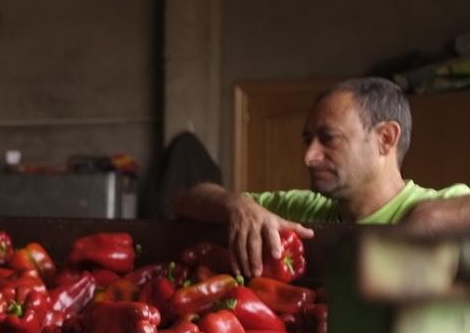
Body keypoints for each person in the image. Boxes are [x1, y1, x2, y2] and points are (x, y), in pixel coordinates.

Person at [174, 77, 470, 276]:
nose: (309, 156)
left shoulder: (445, 203)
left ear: (385, 139)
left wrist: (429, 217)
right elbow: (188, 199)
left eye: (328, 139)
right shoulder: (303, 212)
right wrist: (238, 207)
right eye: (308, 140)